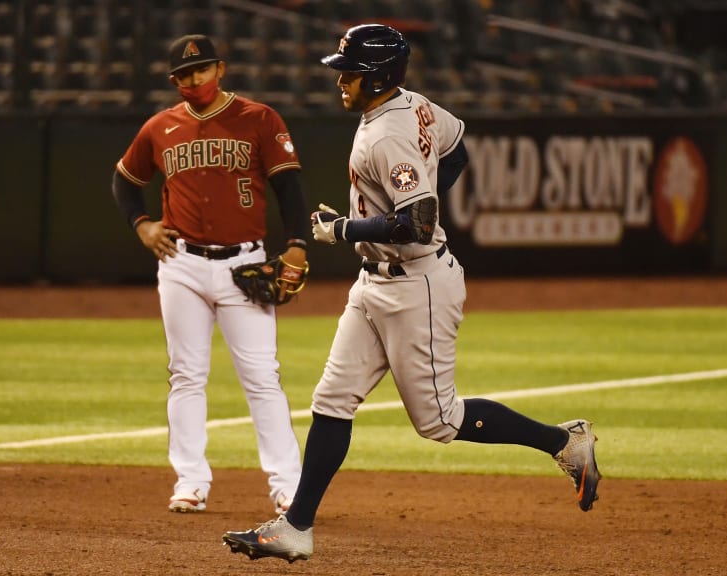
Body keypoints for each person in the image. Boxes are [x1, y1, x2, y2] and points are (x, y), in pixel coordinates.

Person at [222, 24, 601, 563]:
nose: (341, 80)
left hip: (417, 284)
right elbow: (457, 152)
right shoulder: (411, 106)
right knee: (331, 401)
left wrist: (344, 230)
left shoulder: (386, 135)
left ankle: (565, 443)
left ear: (376, 77)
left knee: (439, 422)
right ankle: (296, 527)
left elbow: (419, 224)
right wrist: (404, 201)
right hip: (375, 284)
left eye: (349, 72)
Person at [111, 34, 308, 515]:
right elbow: (124, 181)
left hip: (246, 263)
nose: (192, 80)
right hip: (182, 265)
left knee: (262, 377)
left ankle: (288, 486)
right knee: (186, 374)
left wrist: (298, 246)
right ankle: (191, 480)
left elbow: (290, 188)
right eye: (183, 74)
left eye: (201, 70)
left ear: (220, 69)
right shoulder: (160, 127)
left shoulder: (259, 118)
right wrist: (142, 226)